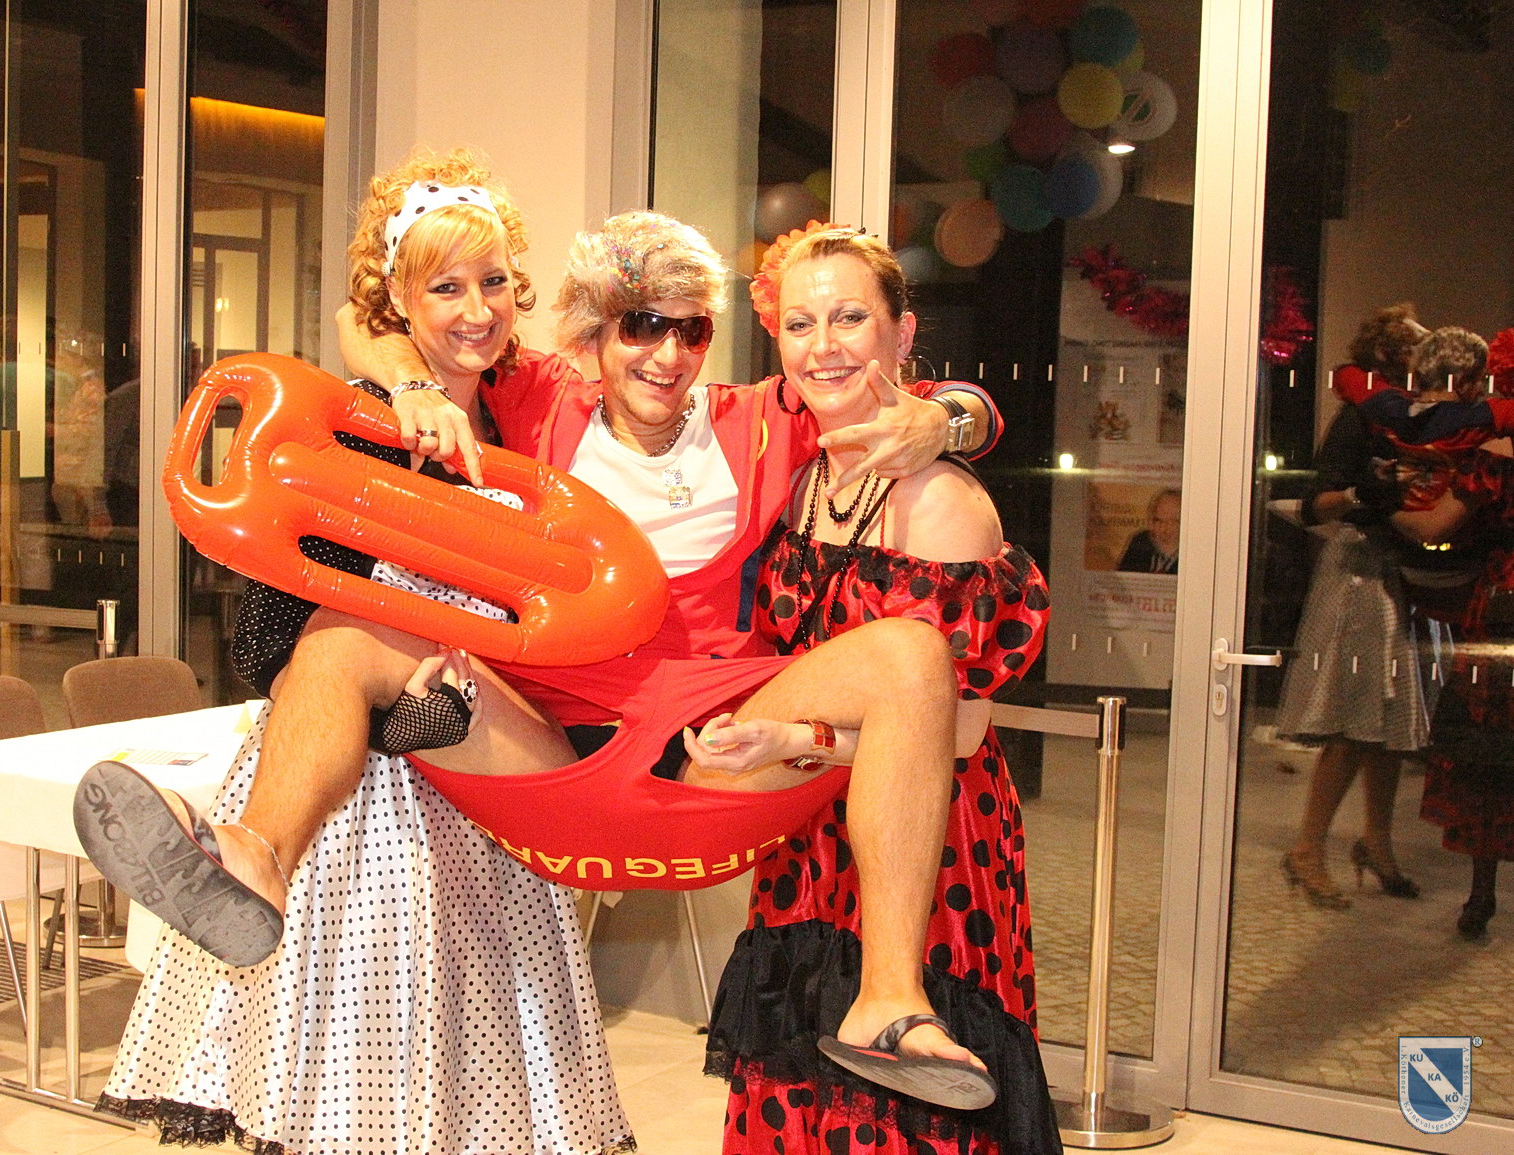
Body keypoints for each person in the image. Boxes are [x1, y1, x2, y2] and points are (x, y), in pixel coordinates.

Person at [81, 184, 1008, 1107]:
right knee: (339, 638)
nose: (666, 355)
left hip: (711, 750)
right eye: (641, 325)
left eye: (689, 330)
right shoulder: (540, 398)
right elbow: (372, 321)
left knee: (911, 653)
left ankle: (889, 1001)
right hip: (553, 753)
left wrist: (951, 418)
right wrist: (411, 386)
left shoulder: (762, 418)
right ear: (594, 334)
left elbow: (906, 393)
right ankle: (256, 858)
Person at [92, 150, 635, 1155]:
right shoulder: (352, 428)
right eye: (444, 287)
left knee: (483, 1077)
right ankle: (255, 861)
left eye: (493, 281)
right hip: (363, 788)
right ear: (400, 300)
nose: (476, 309)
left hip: (489, 750)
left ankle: (255, 858)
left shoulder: (528, 412)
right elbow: (267, 639)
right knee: (357, 1078)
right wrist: (396, 714)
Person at [690, 225, 1059, 1155]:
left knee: (900, 1119)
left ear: (903, 332)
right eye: (800, 323)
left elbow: (959, 730)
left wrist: (800, 738)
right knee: (798, 1097)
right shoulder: (800, 475)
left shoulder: (940, 501)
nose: (824, 345)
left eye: (851, 317)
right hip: (807, 832)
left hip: (931, 844)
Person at [1273, 305, 1436, 908]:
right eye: (1417, 349)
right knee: (1351, 720)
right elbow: (1316, 503)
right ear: (1390, 356)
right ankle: (1307, 849)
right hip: (1358, 574)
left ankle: (1376, 842)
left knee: (1386, 723)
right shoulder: (1359, 416)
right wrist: (1363, 492)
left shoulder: (1410, 417)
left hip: (1392, 570)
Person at [1379, 327, 1514, 940]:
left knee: (1490, 753)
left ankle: (1481, 896)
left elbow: (1436, 525)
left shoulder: (1498, 454)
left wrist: (1377, 506)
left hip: (1504, 606)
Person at [1116, 487, 1180, 573]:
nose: (1165, 529)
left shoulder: (1191, 552)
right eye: (1159, 521)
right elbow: (1123, 577)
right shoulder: (1140, 542)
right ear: (1151, 523)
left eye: (1173, 522)